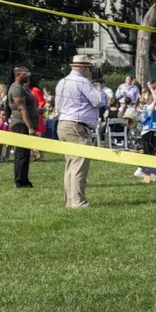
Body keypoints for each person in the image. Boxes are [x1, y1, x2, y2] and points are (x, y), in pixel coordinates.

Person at [55, 55, 104, 208]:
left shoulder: (62, 82)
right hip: (77, 126)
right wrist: (98, 88)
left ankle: (69, 200)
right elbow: (98, 101)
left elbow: (57, 107)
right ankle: (78, 201)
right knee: (79, 164)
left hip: (63, 124)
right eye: (89, 68)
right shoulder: (82, 82)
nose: (89, 71)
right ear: (83, 67)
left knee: (70, 164)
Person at [7, 66, 40, 189]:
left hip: (24, 123)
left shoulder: (23, 88)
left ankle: (25, 180)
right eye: (26, 73)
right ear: (18, 74)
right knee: (21, 154)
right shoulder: (16, 88)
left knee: (26, 154)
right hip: (20, 124)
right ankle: (20, 181)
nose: (29, 76)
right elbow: (21, 108)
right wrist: (30, 126)